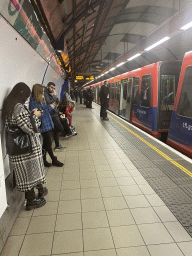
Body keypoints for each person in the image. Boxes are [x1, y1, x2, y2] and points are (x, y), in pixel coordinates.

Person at [2, 82, 47, 211]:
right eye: (26, 96)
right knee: (28, 173)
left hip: (18, 147)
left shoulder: (10, 106)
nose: (27, 98)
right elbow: (30, 128)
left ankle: (34, 195)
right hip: (25, 148)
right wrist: (35, 116)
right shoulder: (18, 108)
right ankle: (31, 201)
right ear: (21, 93)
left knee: (27, 173)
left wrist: (30, 115)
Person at [29, 84, 64, 167]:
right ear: (38, 92)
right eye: (42, 91)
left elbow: (44, 111)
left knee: (46, 144)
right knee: (48, 143)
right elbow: (39, 114)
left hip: (48, 124)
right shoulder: (33, 102)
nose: (44, 93)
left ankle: (43, 160)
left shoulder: (41, 100)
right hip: (43, 126)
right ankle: (53, 159)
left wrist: (50, 107)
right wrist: (49, 107)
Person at [44, 82, 71, 149]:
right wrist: (54, 96)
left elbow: (55, 104)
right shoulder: (45, 94)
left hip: (55, 113)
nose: (53, 89)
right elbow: (49, 102)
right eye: (51, 87)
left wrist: (59, 113)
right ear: (47, 86)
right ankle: (56, 134)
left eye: (54, 88)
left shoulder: (50, 94)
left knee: (57, 129)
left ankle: (57, 145)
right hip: (52, 114)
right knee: (60, 128)